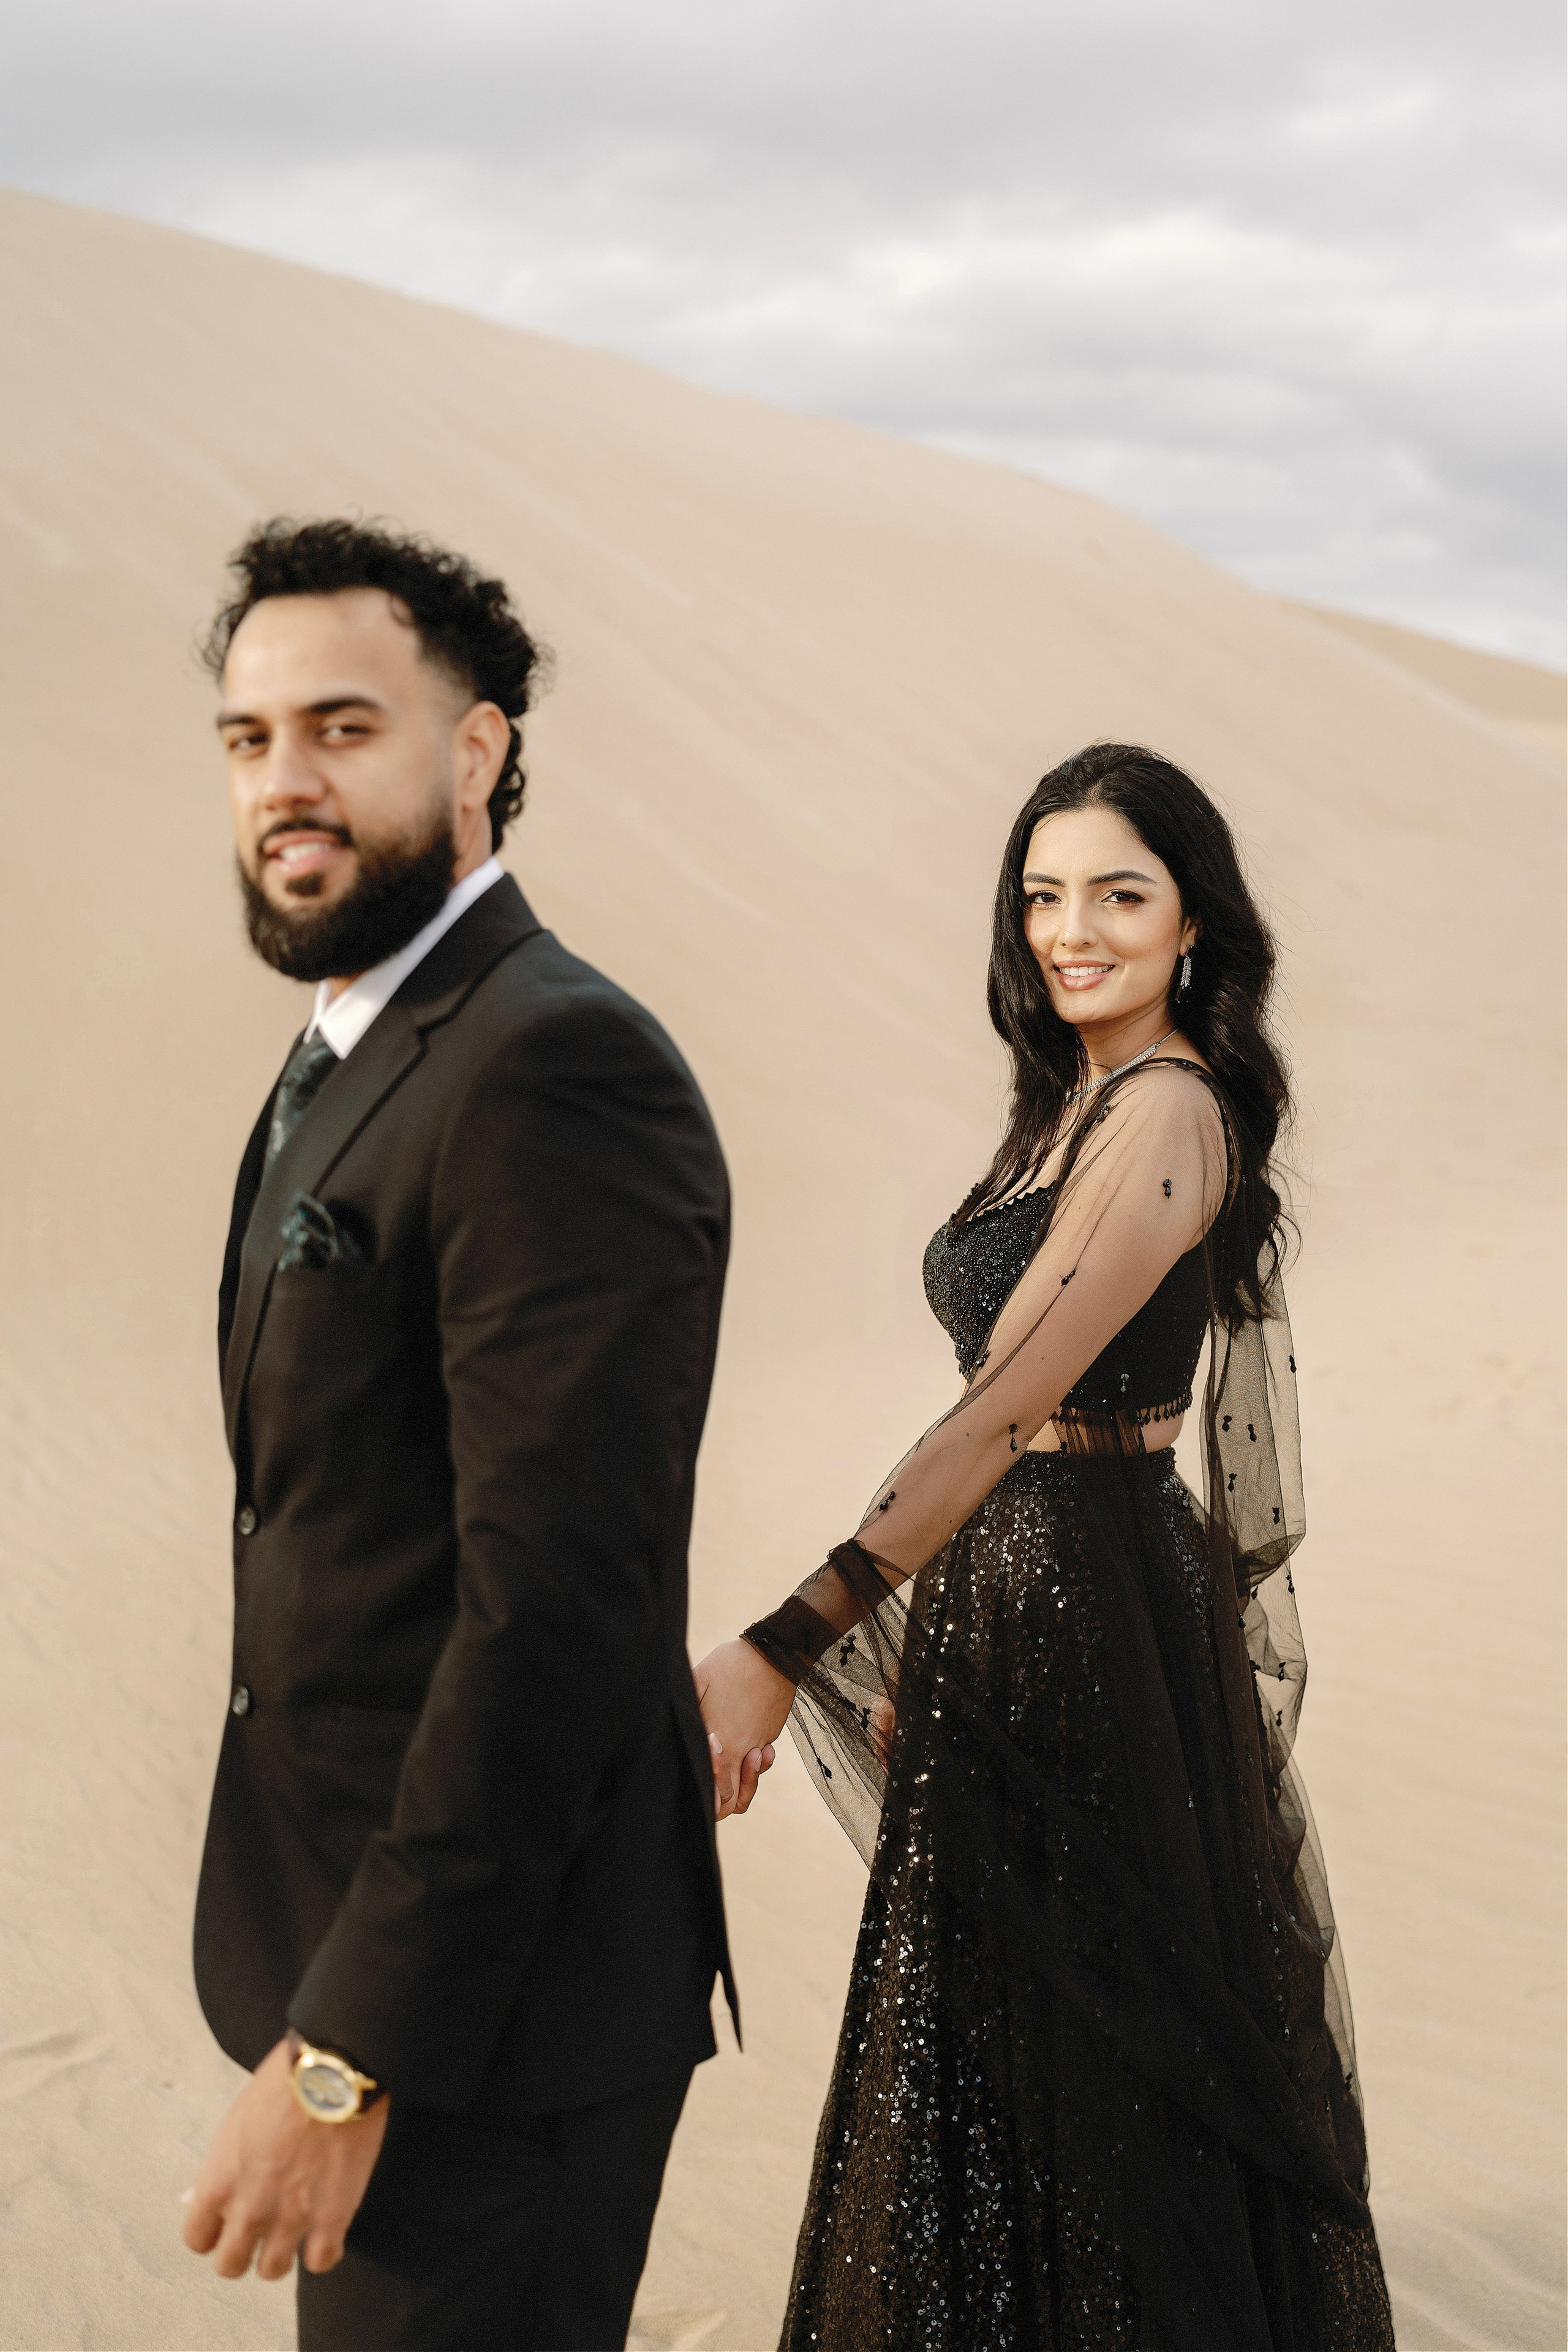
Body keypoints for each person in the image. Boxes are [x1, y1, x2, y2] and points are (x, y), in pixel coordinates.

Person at [696, 745, 1396, 2350]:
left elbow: (1011, 1412)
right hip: (1010, 1608)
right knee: (1000, 2037)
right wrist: (909, 1640)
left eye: (1119, 894)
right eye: (1043, 893)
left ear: (1193, 927)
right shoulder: (1078, 1109)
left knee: (1092, 2051)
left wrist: (791, 1635)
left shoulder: (1165, 1115)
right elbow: (994, 1439)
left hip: (1090, 1633)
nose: (1072, 926)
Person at [180, 518, 735, 2352]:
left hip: (490, 2027)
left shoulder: (549, 1066)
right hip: (385, 1966)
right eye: (250, 740)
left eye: (343, 727)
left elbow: (556, 1618)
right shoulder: (357, 1041)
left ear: (478, 748)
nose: (286, 783)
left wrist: (346, 2058)